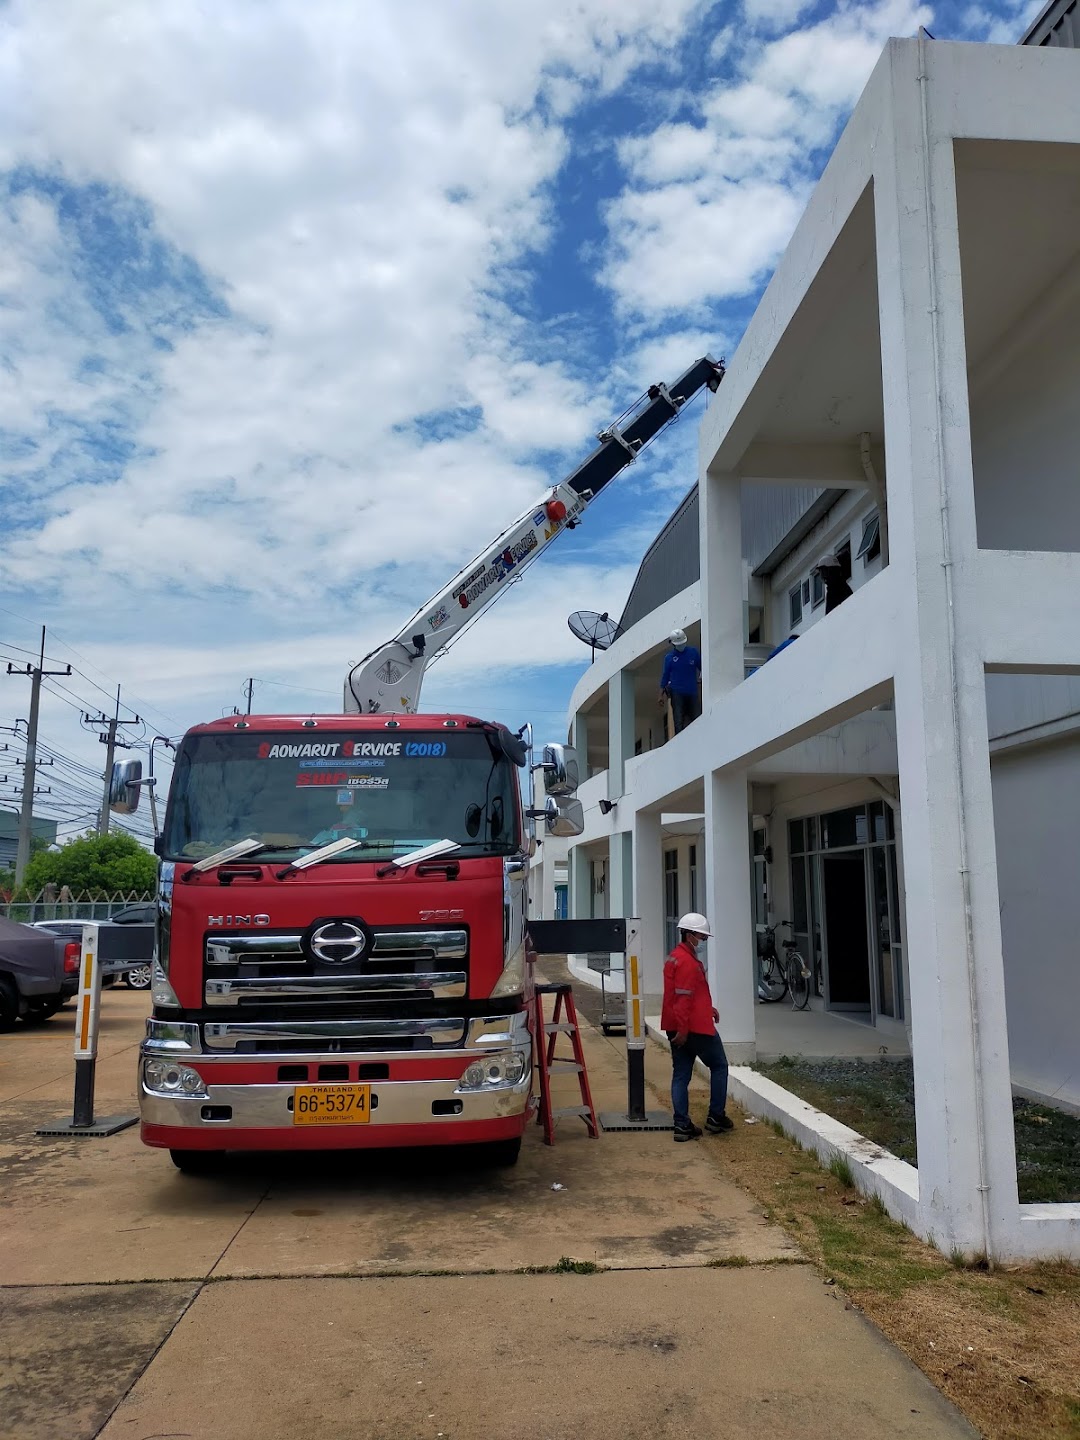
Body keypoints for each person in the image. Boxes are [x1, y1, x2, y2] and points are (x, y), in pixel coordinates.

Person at [661, 911, 733, 1142]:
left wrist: (707, 1008)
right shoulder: (687, 963)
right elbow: (683, 999)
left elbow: (688, 994)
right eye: (701, 937)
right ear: (689, 934)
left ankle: (682, 1125)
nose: (703, 941)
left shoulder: (675, 957)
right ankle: (716, 1117)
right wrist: (683, 1030)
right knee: (720, 1065)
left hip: (679, 1025)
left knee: (681, 1074)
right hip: (693, 1028)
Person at [659, 628, 701, 734]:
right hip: (677, 693)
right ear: (673, 644)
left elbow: (703, 667)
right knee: (678, 721)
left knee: (697, 719)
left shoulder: (693, 653)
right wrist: (660, 695)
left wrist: (701, 678)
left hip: (692, 692)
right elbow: (665, 677)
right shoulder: (669, 658)